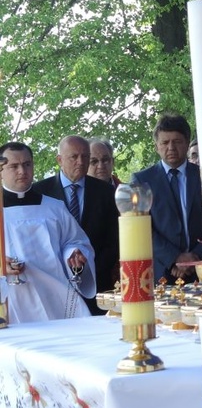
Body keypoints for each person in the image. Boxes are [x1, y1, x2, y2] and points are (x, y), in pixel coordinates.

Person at [1, 142, 96, 322]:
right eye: (14, 166)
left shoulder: (54, 208)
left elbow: (75, 241)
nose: (22, 171)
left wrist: (74, 255)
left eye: (27, 164)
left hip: (55, 293)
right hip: (11, 298)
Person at [34, 135, 119, 315]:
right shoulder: (39, 193)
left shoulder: (106, 192)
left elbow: (114, 241)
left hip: (96, 284)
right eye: (74, 157)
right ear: (59, 160)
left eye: (85, 156)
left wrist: (88, 268)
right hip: (53, 284)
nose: (81, 162)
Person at [131, 114, 202, 283]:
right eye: (165, 142)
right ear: (157, 146)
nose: (171, 147)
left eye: (177, 141)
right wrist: (175, 258)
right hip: (162, 272)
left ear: (187, 143)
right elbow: (142, 228)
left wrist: (195, 258)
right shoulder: (141, 181)